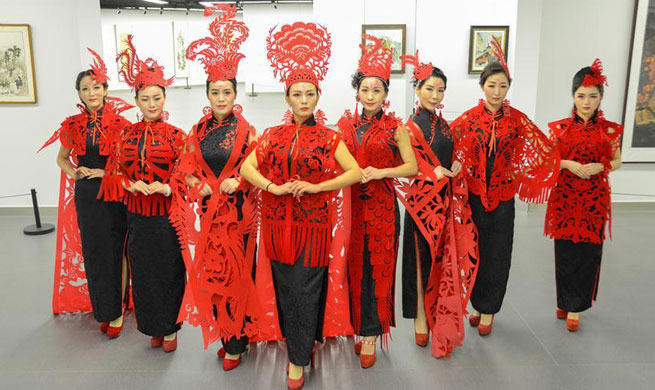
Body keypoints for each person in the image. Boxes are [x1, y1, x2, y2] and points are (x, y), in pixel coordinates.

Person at [240, 22, 360, 390]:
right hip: (277, 228)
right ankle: (301, 342)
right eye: (297, 94)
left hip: (312, 227)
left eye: (310, 93)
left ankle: (298, 359)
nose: (304, 100)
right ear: (287, 98)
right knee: (285, 288)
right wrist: (272, 188)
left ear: (317, 97)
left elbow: (354, 173)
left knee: (306, 288)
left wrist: (317, 185)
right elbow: (248, 167)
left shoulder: (328, 137)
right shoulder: (273, 135)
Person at [169, 4, 260, 371]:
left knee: (238, 275)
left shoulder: (248, 132)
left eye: (227, 92)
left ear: (235, 94)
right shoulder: (197, 131)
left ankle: (238, 338)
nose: (221, 98)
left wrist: (241, 179)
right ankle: (228, 333)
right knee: (215, 276)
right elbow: (184, 171)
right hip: (209, 215)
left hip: (238, 216)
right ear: (207, 94)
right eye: (215, 92)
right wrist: (196, 184)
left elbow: (258, 169)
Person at [450, 37, 560, 335]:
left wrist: (520, 174)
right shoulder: (469, 120)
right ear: (482, 87)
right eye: (491, 86)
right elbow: (447, 142)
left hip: (502, 198)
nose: (497, 92)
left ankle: (489, 310)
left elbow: (544, 149)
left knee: (498, 252)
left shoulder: (517, 121)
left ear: (508, 88)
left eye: (502, 86)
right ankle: (477, 303)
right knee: (473, 250)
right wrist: (457, 165)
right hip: (473, 195)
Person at [100, 35, 186, 352]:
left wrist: (165, 186)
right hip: (136, 214)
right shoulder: (125, 134)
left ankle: (171, 327)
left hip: (166, 217)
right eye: (145, 98)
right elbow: (112, 171)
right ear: (136, 101)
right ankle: (152, 325)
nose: (152, 104)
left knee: (170, 270)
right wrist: (128, 183)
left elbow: (185, 171)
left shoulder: (178, 135)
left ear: (164, 99)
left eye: (157, 98)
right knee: (144, 272)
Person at [337, 35, 417, 368]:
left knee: (376, 267)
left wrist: (381, 171)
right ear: (357, 92)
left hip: (383, 209)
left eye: (377, 90)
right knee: (352, 268)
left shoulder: (396, 128)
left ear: (385, 93)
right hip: (352, 207)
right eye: (365, 90)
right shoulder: (344, 127)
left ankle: (370, 333)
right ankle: (356, 326)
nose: (370, 97)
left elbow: (411, 167)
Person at [39, 49, 132, 337]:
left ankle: (118, 310)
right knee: (94, 251)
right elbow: (62, 158)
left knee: (117, 249)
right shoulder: (73, 125)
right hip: (86, 194)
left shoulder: (121, 125)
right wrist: (73, 172)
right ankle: (104, 308)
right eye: (85, 89)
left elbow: (132, 168)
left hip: (114, 192)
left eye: (96, 87)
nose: (91, 93)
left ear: (106, 90)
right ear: (79, 94)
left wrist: (106, 173)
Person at [398, 51, 479, 357]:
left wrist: (456, 163)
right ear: (417, 90)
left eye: (440, 89)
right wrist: (433, 172)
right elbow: (405, 164)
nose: (435, 95)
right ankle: (421, 319)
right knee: (421, 262)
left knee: (444, 260)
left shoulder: (444, 125)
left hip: (445, 203)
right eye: (429, 88)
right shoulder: (409, 127)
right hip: (421, 205)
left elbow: (454, 152)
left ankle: (440, 314)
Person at [544, 59, 623, 332]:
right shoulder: (560, 128)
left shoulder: (610, 130)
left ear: (601, 97)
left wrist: (602, 165)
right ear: (573, 96)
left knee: (588, 252)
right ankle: (564, 301)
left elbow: (617, 160)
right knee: (564, 251)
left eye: (592, 96)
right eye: (581, 96)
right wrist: (568, 164)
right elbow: (549, 158)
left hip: (593, 199)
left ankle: (577, 306)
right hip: (565, 196)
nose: (586, 102)